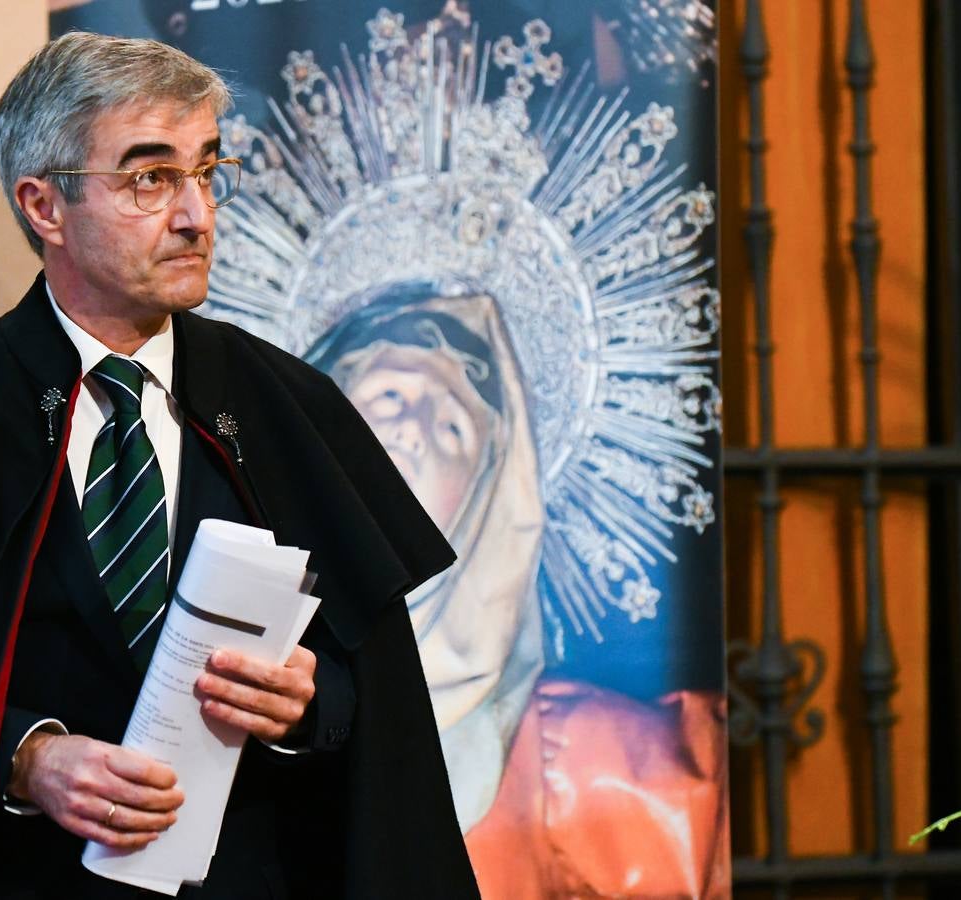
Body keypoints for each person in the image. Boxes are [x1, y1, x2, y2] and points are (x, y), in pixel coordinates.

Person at [0, 32, 480, 900]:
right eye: (150, 178)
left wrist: (307, 707)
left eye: (207, 170)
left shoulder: (289, 410)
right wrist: (28, 758)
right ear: (43, 206)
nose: (197, 215)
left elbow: (380, 715)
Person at [310, 281, 728, 898]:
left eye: (453, 427)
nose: (412, 428)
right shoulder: (198, 652)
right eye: (390, 392)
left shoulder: (589, 763)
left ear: (483, 509)